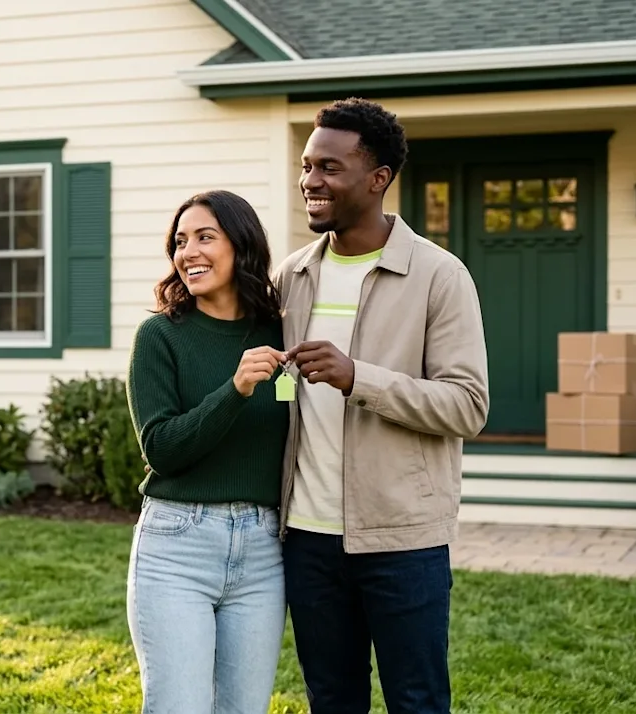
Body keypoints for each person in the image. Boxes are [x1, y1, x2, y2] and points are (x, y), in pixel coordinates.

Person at [274, 98, 490, 713]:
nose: (310, 181)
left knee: (417, 701)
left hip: (402, 540)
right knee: (332, 700)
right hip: (308, 538)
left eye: (329, 169)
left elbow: (468, 405)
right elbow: (286, 390)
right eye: (308, 165)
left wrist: (357, 378)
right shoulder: (293, 276)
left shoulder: (438, 276)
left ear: (378, 179)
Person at [124, 189, 291, 714]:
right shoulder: (160, 336)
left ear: (240, 245)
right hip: (177, 546)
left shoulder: (281, 333)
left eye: (204, 237)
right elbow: (161, 449)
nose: (188, 252)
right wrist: (234, 390)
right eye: (180, 241)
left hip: (264, 551)